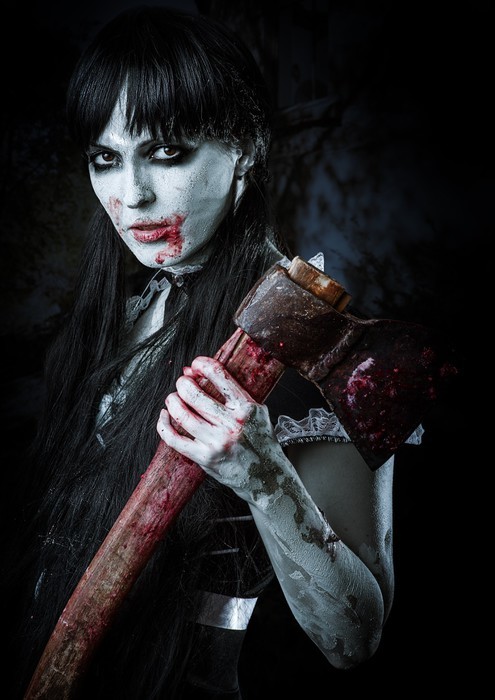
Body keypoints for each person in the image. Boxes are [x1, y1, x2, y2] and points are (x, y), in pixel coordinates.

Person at [5, 6, 413, 699]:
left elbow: (354, 638)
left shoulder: (319, 345)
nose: (131, 196)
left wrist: (263, 477)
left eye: (168, 152)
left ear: (245, 148)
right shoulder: (119, 315)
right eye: (106, 159)